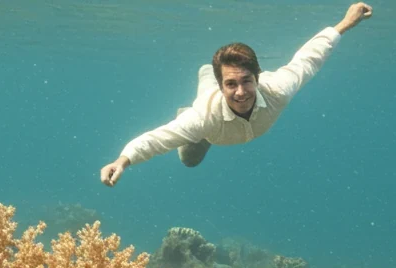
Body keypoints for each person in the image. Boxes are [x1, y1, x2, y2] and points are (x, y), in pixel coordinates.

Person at [100, 3, 373, 187]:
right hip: (209, 124)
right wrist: (122, 161)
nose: (241, 92)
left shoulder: (277, 88)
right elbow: (156, 139)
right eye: (231, 84)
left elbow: (308, 59)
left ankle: (210, 72)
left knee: (209, 91)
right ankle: (208, 74)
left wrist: (344, 24)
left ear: (258, 76)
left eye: (247, 81)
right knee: (189, 159)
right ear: (223, 87)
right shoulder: (201, 119)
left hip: (219, 105)